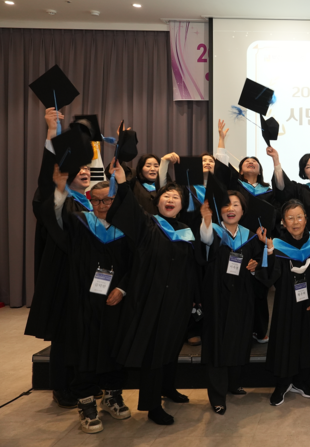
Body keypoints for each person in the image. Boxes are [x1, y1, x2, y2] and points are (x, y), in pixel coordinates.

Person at [107, 160, 200, 425]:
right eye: (166, 196)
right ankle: (151, 405)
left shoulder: (185, 232)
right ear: (157, 202)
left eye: (176, 198)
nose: (170, 200)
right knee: (154, 351)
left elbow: (192, 267)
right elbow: (129, 208)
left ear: (182, 205)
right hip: (151, 299)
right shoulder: (147, 225)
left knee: (172, 345)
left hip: (178, 300)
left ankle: (168, 388)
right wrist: (122, 181)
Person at [43, 171, 133, 432]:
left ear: (116, 201)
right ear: (90, 201)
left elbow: (137, 262)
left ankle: (112, 395)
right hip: (83, 298)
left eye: (108, 200)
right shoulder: (79, 222)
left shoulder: (127, 228)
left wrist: (123, 289)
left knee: (115, 346)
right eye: (97, 200)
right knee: (84, 348)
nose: (102, 205)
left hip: (115, 300)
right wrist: (60, 191)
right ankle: (85, 403)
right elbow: (54, 220)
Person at [26, 107, 93, 409]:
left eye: (87, 169)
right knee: (65, 337)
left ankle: (81, 383)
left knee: (83, 335)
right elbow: (47, 186)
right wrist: (52, 133)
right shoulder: (59, 201)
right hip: (65, 279)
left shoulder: (91, 203)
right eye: (79, 170)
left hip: (87, 280)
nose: (85, 172)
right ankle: (61, 388)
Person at [255, 200, 310, 406]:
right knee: (285, 340)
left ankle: (301, 381)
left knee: (308, 340)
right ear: (283, 222)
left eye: (299, 217)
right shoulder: (276, 245)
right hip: (286, 303)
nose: (295, 222)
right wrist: (269, 250)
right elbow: (269, 277)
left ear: (306, 219)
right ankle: (283, 383)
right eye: (290, 218)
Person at [197, 193, 263, 414]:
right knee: (217, 342)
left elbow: (259, 264)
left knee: (239, 338)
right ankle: (217, 395)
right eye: (226, 205)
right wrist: (207, 219)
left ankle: (234, 383)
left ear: (243, 211)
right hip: (217, 296)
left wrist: (254, 266)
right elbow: (205, 242)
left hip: (242, 295)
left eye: (236, 205)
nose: (231, 208)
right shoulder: (213, 231)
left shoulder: (250, 236)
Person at [215, 120, 275, 344]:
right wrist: (221, 140)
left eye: (255, 162)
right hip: (233, 239)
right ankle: (236, 326)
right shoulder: (235, 188)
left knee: (258, 287)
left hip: (258, 241)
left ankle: (259, 328)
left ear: (260, 170)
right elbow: (221, 172)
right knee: (232, 283)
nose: (251, 162)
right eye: (246, 161)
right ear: (240, 170)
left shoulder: (269, 191)